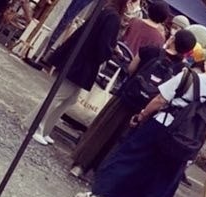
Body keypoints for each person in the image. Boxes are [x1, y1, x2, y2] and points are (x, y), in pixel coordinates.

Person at [74, 44, 206, 197]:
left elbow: (160, 100)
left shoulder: (188, 77)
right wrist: (193, 150)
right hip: (185, 143)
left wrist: (142, 115)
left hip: (161, 126)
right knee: (160, 178)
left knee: (127, 159)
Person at [69, 28, 196, 179]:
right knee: (122, 141)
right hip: (147, 109)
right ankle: (102, 174)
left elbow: (131, 69)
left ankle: (81, 165)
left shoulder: (150, 50)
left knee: (103, 130)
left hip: (126, 96)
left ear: (173, 39)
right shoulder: (183, 71)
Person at [32, 0, 124, 146]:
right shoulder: (113, 16)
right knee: (59, 96)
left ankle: (44, 128)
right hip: (83, 61)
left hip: (79, 57)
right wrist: (112, 51)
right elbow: (103, 45)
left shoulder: (106, 11)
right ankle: (36, 126)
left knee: (68, 98)